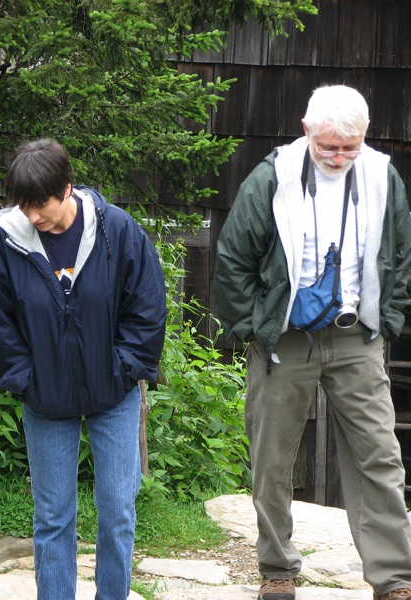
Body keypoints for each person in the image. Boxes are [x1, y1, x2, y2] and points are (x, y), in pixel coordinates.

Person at [213, 84, 411, 600]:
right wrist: (255, 330)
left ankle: (393, 580)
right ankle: (277, 571)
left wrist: (387, 318)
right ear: (306, 131)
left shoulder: (381, 175)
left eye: (351, 146)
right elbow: (233, 259)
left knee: (380, 458)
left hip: (356, 338)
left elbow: (399, 252)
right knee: (272, 460)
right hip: (286, 340)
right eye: (329, 147)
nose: (341, 156)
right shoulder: (271, 178)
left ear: (364, 137)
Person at [0, 138, 167, 599]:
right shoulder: (3, 243)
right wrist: (27, 380)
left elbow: (147, 309)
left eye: (39, 205)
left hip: (115, 395)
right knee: (53, 517)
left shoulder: (118, 232)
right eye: (23, 206)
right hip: (45, 399)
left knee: (118, 512)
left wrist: (122, 370)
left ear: (66, 189)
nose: (32, 217)